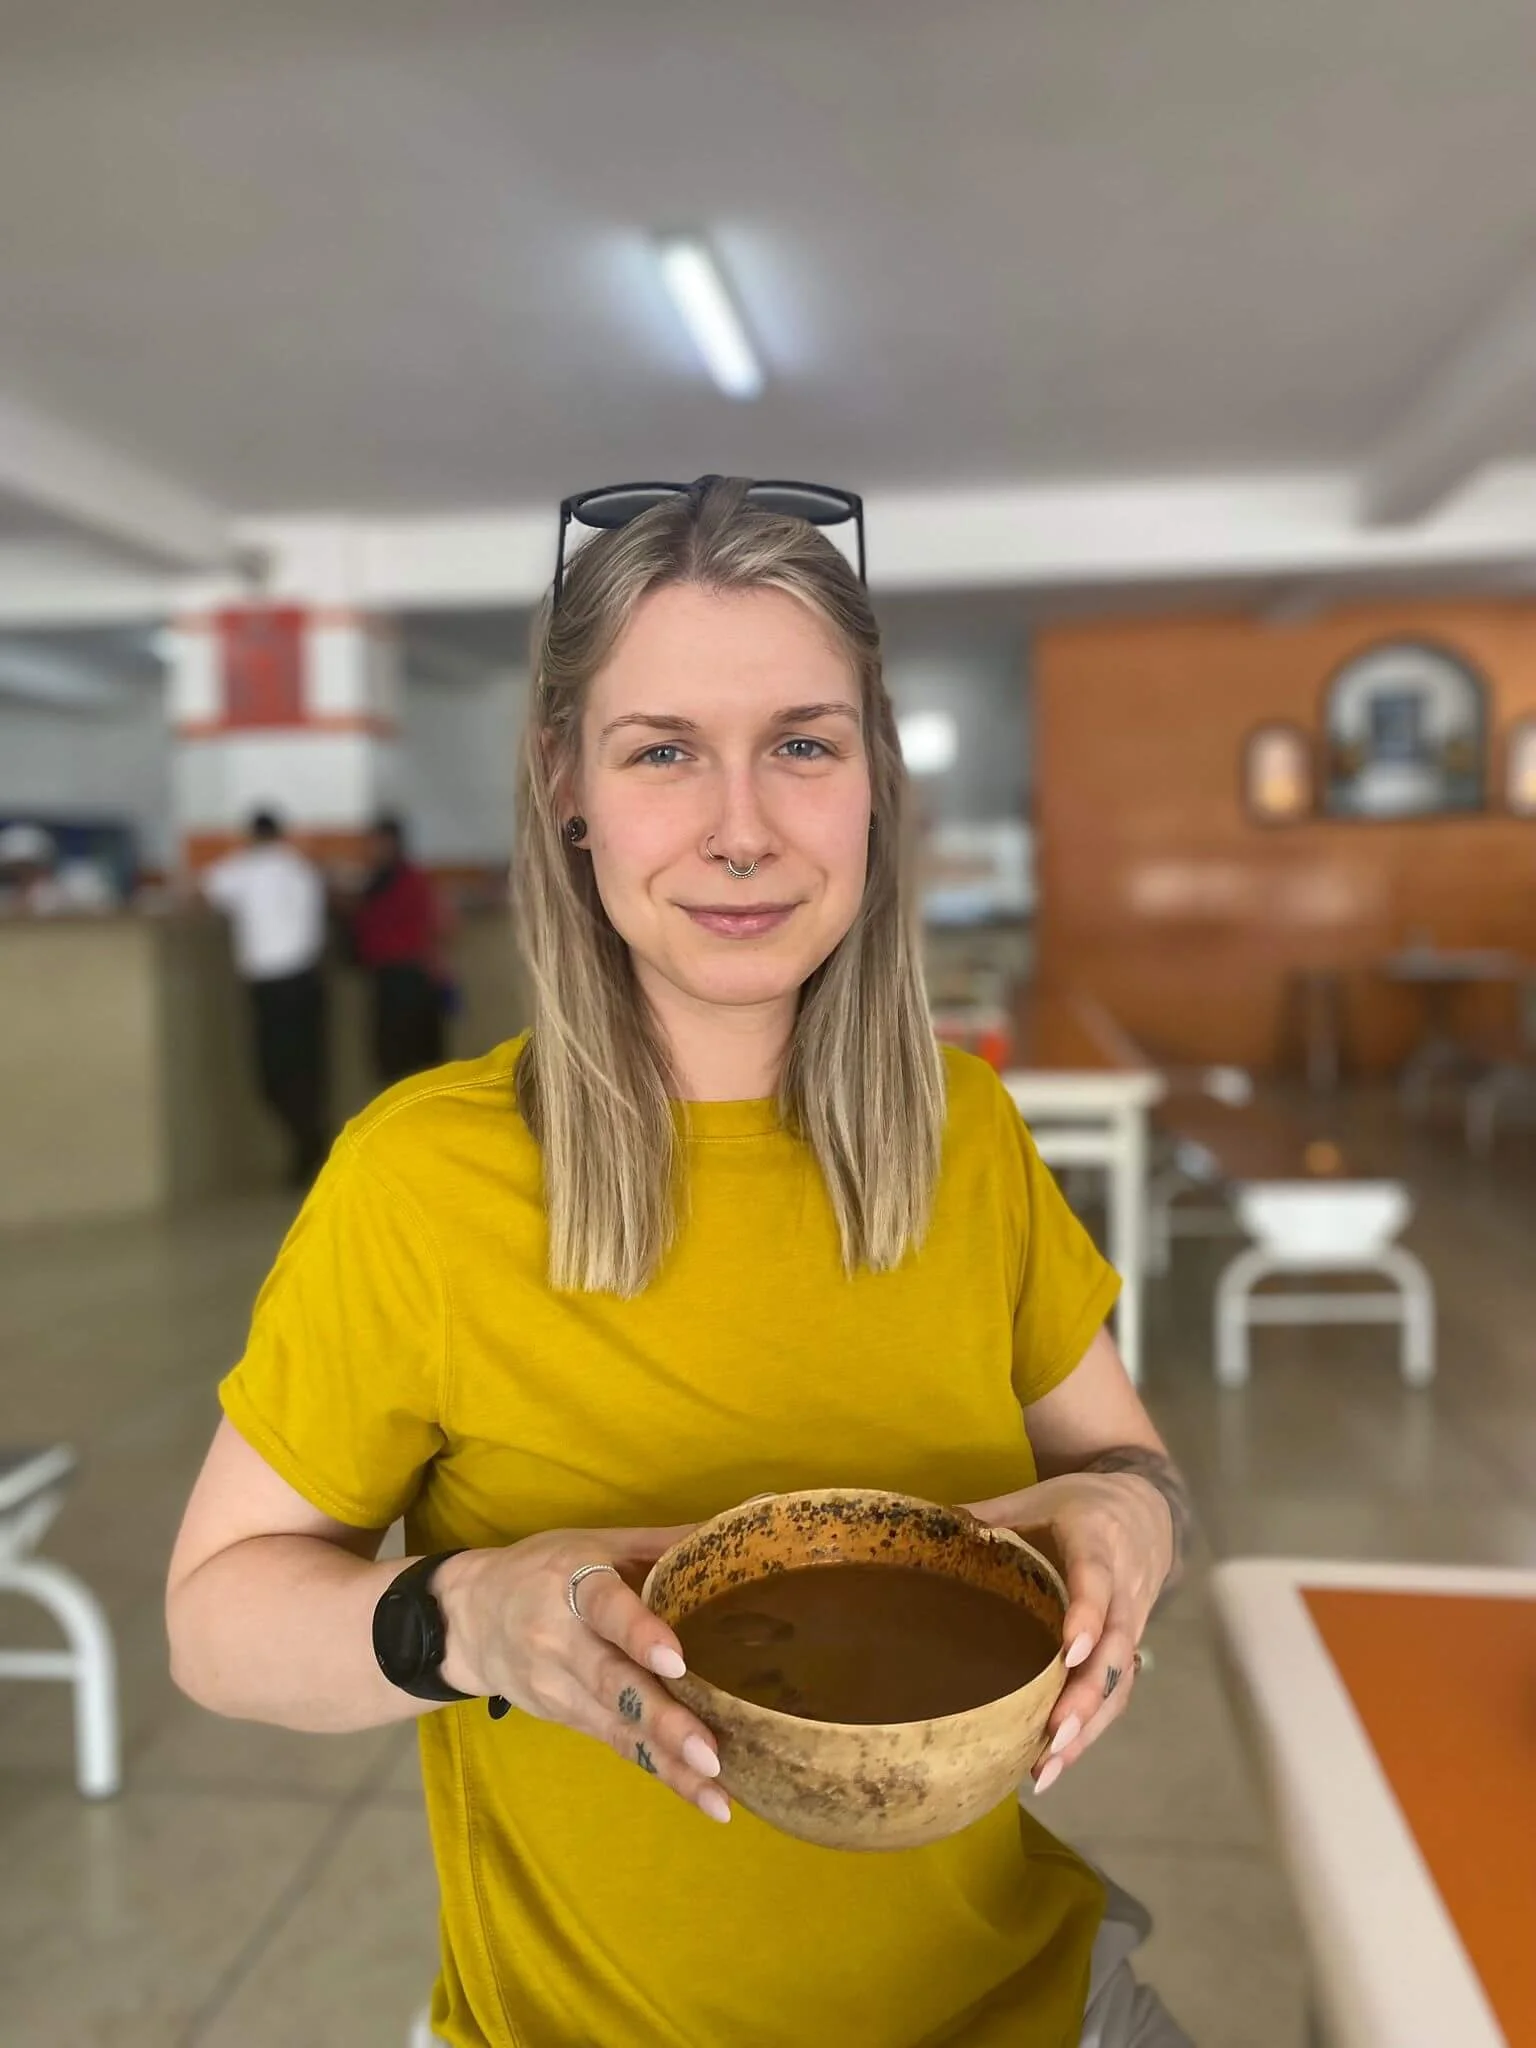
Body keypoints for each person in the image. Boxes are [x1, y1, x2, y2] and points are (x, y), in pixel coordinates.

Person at [167, 478, 1193, 2048]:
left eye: (803, 743)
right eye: (662, 751)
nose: (741, 828)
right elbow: (216, 1621)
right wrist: (463, 1617)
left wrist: (1129, 1514)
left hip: (1034, 2000)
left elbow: (1128, 1460)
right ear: (565, 784)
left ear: (872, 782)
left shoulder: (963, 1130)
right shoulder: (423, 1180)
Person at [200, 810, 328, 1186]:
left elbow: (200, 890)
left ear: (251, 837)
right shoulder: (301, 869)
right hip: (308, 982)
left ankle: (306, 1147)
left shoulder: (244, 868)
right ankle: (310, 1145)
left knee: (273, 1077)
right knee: (307, 1072)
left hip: (272, 988)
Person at [349, 812, 447, 1084]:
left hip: (403, 982)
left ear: (390, 842)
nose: (370, 849)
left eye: (375, 842)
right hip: (404, 981)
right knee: (417, 1066)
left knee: (402, 1066)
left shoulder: (395, 882)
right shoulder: (399, 879)